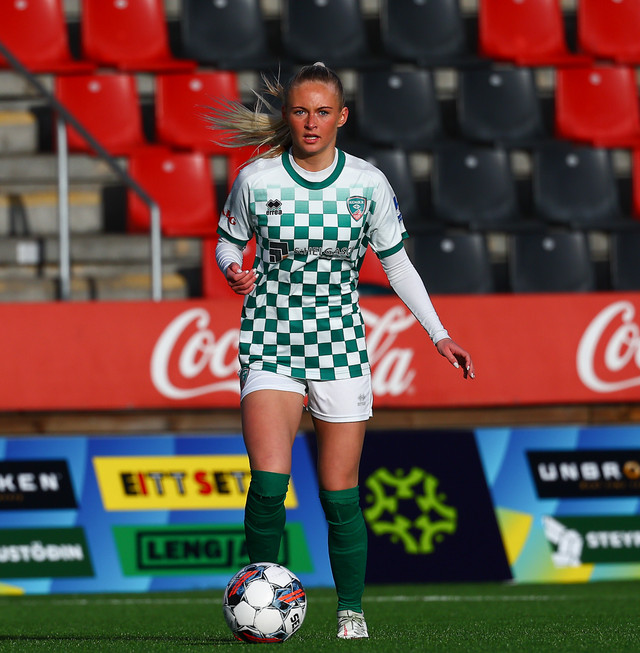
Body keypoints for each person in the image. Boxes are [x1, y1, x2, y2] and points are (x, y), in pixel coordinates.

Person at [211, 63, 475, 640]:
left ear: (342, 117)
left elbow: (397, 265)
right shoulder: (257, 179)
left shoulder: (367, 183)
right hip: (270, 338)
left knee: (339, 494)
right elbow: (228, 242)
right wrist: (233, 269)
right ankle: (259, 602)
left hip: (339, 346)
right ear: (288, 116)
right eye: (301, 111)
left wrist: (438, 333)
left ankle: (350, 612)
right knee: (268, 485)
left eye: (323, 112)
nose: (311, 122)